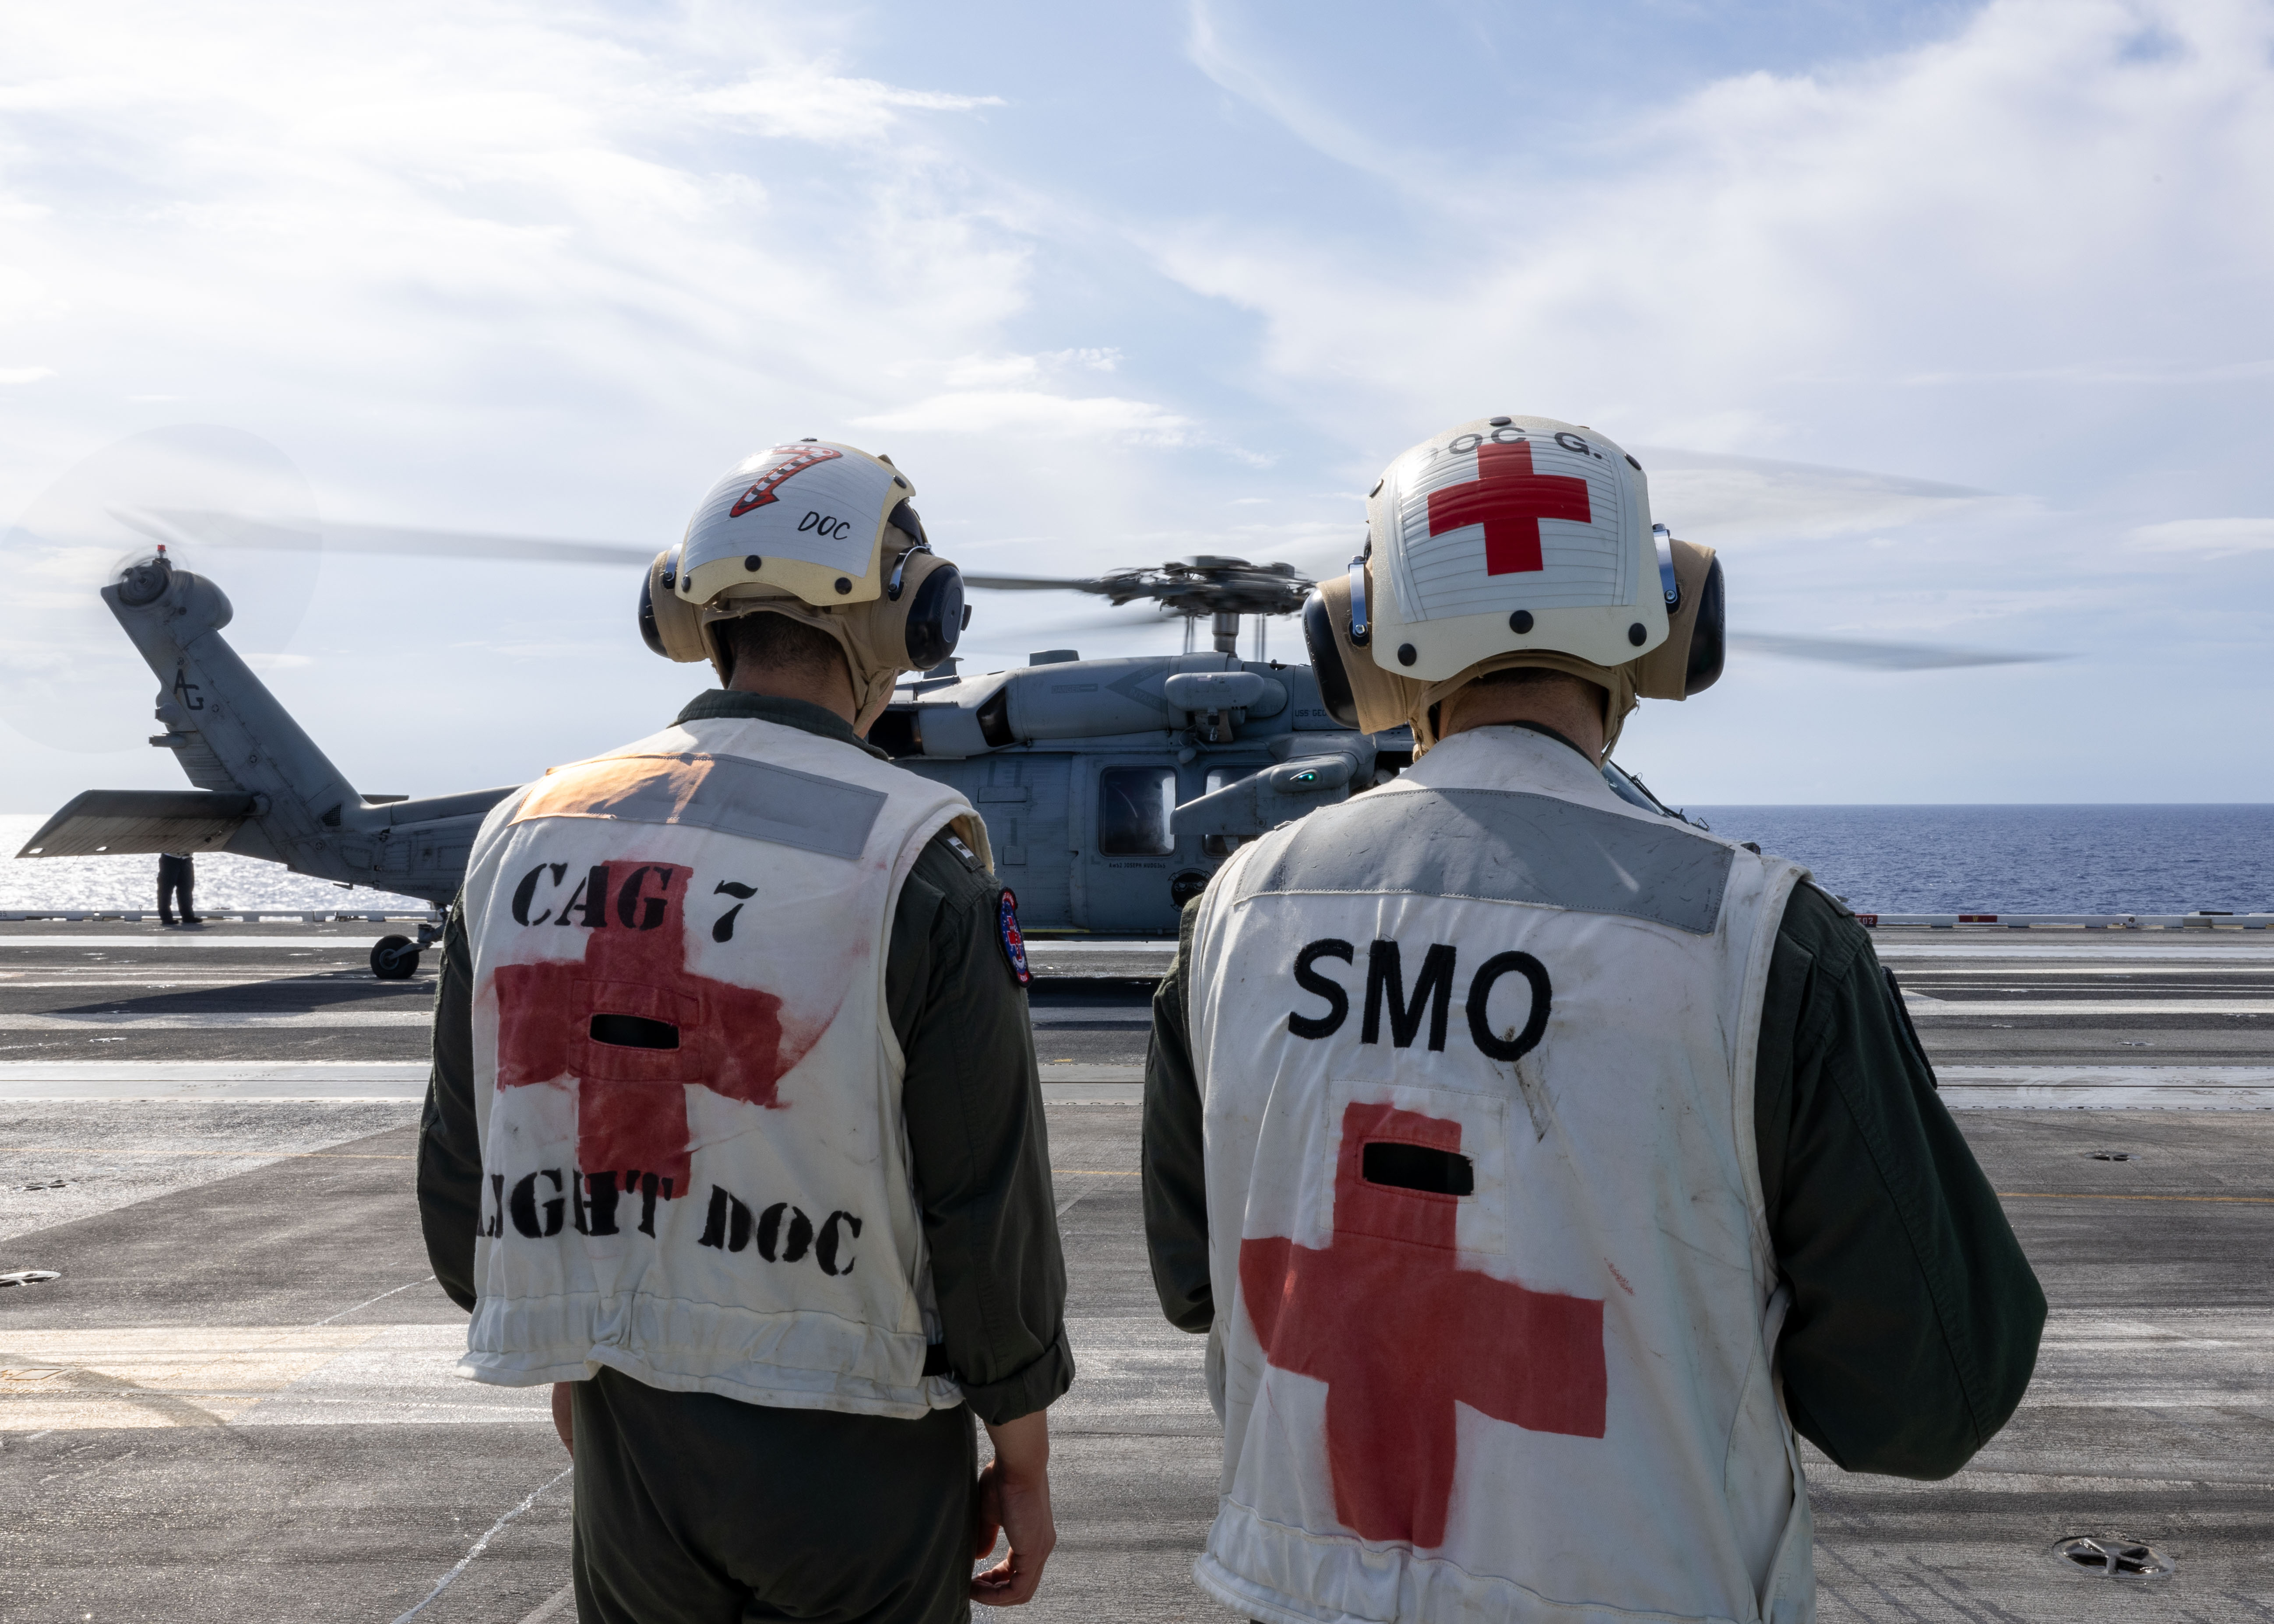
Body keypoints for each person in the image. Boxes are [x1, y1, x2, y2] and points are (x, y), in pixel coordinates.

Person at [1142, 415, 2043, 1624]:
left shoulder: (1235, 913)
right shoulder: (1761, 937)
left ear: (1360, 631)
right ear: (1671, 620)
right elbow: (1930, 1394)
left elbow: (1199, 1282)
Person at [417, 439, 1071, 1623]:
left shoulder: (526, 828)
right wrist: (1021, 1454)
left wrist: (578, 1354)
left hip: (624, 1433)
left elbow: (467, 1180)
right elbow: (986, 1204)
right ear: (906, 620)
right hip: (857, 1439)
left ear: (690, 612)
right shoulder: (912, 858)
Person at [156, 850, 200, 926]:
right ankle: (166, 918)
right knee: (166, 889)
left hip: (187, 859)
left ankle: (188, 916)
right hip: (170, 858)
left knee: (187, 889)